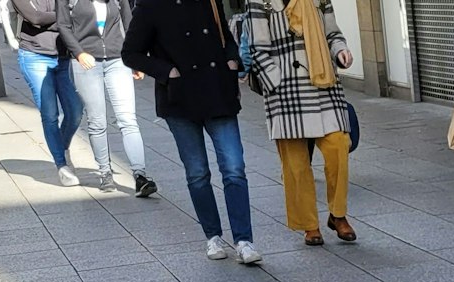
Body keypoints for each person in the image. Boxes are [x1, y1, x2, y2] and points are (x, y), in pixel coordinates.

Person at [124, 0, 259, 263]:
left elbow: (225, 36)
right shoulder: (151, 5)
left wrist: (232, 59)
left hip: (218, 91)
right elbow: (131, 53)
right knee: (197, 172)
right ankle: (213, 236)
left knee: (234, 168)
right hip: (179, 98)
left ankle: (244, 240)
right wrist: (167, 72)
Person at [248, 0, 357, 244]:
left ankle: (338, 214)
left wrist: (340, 51)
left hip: (323, 83)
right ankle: (309, 225)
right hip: (287, 88)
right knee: (295, 163)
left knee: (339, 143)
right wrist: (276, 82)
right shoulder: (260, 1)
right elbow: (258, 48)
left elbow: (333, 33)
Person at [58, 0, 158, 195]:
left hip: (118, 59)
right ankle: (105, 173)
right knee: (97, 121)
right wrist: (78, 53)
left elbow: (129, 24)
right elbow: (63, 25)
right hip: (86, 61)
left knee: (128, 119)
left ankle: (140, 176)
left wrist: (136, 59)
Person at [4, 0, 83, 184]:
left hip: (62, 57)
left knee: (76, 111)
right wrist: (63, 17)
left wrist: (63, 18)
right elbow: (35, 17)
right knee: (50, 113)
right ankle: (62, 165)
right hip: (34, 56)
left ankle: (61, 148)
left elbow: (76, 12)